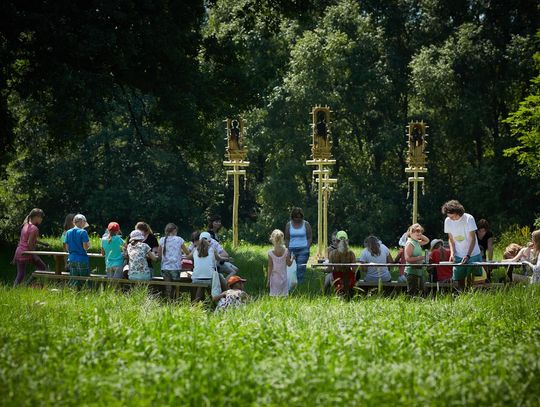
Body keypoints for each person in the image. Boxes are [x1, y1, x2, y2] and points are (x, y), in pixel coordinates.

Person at [442, 200, 483, 290]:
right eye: (449, 216)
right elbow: (451, 239)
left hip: (473, 254)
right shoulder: (448, 221)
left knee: (473, 279)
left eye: (453, 217)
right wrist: (452, 253)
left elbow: (473, 239)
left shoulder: (469, 218)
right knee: (459, 278)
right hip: (458, 254)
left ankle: (473, 295)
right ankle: (462, 295)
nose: (451, 219)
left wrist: (468, 255)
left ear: (458, 212)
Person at [12, 208, 48, 286]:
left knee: (20, 274)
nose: (41, 219)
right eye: (41, 217)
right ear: (37, 217)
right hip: (27, 252)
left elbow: (28, 240)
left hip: (19, 251)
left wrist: (43, 244)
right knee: (42, 267)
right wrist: (35, 255)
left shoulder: (26, 225)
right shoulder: (34, 228)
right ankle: (28, 284)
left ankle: (14, 288)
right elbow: (29, 243)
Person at [185, 231, 226, 300]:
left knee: (200, 284)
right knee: (217, 278)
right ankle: (217, 301)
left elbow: (188, 257)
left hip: (196, 279)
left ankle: (195, 304)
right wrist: (226, 258)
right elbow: (219, 258)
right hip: (209, 279)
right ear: (209, 241)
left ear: (199, 240)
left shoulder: (195, 250)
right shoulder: (212, 250)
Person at [158, 223, 190, 297]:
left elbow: (159, 255)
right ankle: (176, 300)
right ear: (175, 231)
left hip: (164, 267)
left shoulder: (162, 240)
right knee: (176, 286)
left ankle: (168, 301)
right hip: (175, 267)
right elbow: (187, 252)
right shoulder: (179, 239)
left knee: (168, 287)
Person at [284, 207, 312, 283]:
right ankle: (292, 284)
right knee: (292, 268)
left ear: (302, 217)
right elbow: (287, 238)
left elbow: (309, 237)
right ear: (292, 216)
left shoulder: (306, 224)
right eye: (296, 217)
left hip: (303, 250)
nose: (297, 219)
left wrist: (307, 247)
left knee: (300, 268)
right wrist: (288, 250)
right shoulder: (288, 225)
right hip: (291, 249)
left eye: (299, 217)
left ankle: (300, 285)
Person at [65, 214, 91, 287]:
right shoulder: (83, 232)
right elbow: (85, 247)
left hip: (71, 259)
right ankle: (86, 294)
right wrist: (88, 246)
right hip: (82, 259)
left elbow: (67, 247)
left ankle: (74, 294)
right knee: (85, 281)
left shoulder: (68, 232)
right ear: (82, 221)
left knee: (74, 280)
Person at [328, 231, 356, 298]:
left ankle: (327, 294)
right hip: (349, 276)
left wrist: (322, 270)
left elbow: (329, 269)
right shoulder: (351, 253)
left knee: (328, 278)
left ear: (337, 241)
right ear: (347, 241)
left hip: (337, 276)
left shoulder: (332, 253)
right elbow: (354, 269)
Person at [404, 223, 430, 295]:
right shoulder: (410, 243)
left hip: (418, 270)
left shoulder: (417, 242)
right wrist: (420, 258)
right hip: (411, 271)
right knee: (412, 292)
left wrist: (420, 234)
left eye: (420, 233)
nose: (419, 235)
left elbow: (427, 240)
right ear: (411, 233)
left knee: (421, 291)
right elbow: (407, 259)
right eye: (417, 233)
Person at [267, 229, 293, 297]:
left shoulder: (270, 253)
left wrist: (268, 279)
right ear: (282, 239)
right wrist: (292, 258)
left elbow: (270, 267)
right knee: (284, 297)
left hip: (274, 279)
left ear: (272, 239)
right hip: (283, 279)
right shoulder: (286, 251)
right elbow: (289, 264)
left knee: (274, 298)